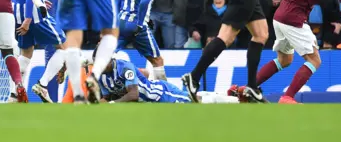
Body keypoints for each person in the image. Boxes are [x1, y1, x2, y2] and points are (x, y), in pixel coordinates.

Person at [98, 56, 238, 104]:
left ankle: (234, 100)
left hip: (160, 95)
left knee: (194, 101)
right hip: (150, 99)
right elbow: (106, 97)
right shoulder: (101, 76)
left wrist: (112, 103)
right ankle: (226, 94)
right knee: (193, 97)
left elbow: (133, 95)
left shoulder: (124, 66)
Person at [116, 0, 166, 80]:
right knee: (157, 61)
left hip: (120, 22)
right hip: (137, 25)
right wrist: (138, 23)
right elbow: (144, 2)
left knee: (105, 57)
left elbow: (118, 0)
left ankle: (83, 65)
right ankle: (166, 93)